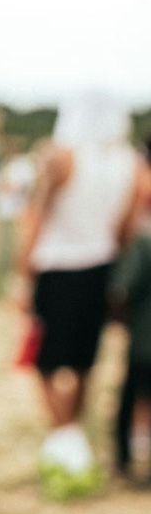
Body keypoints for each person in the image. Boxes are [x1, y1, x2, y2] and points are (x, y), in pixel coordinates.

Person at [16, 90, 141, 498]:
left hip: (56, 267)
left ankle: (64, 435)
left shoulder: (62, 155)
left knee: (44, 358)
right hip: (100, 266)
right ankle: (72, 439)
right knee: (85, 358)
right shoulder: (131, 162)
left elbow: (36, 214)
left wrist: (23, 273)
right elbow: (125, 227)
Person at [110, 146, 151, 480]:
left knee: (129, 400)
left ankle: (123, 458)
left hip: (144, 341)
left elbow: (122, 289)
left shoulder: (144, 240)